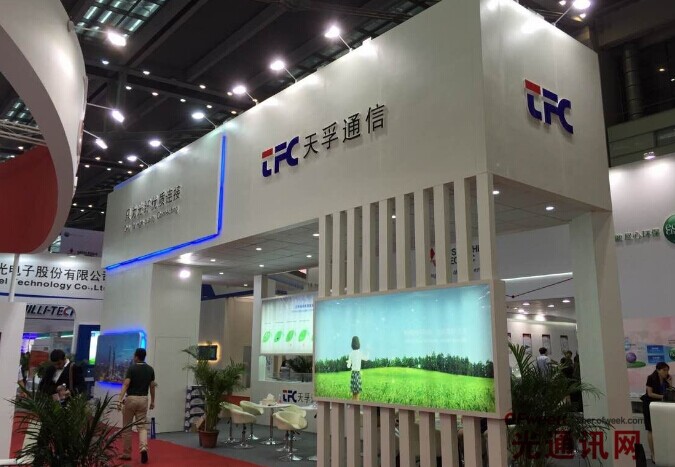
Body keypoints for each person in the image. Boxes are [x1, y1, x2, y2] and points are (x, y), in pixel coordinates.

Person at [118, 348, 156, 464]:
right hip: (143, 399)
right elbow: (152, 386)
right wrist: (153, 401)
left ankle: (126, 453)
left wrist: (120, 399)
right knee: (142, 427)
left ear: (136, 356)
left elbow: (126, 384)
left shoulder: (132, 368)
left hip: (131, 399)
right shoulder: (150, 369)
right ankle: (143, 448)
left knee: (127, 427)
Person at [642, 361, 671, 463]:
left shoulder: (666, 379)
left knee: (661, 429)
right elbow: (650, 394)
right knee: (651, 429)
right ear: (658, 370)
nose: (666, 372)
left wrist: (670, 383)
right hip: (649, 405)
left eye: (667, 370)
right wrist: (663, 396)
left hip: (660, 406)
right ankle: (653, 454)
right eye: (664, 370)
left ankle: (662, 453)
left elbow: (670, 392)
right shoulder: (651, 378)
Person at [347, 336, 367, 400]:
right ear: (358, 343)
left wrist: (348, 362)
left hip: (353, 374)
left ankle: (353, 404)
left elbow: (348, 366)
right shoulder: (360, 353)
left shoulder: (351, 353)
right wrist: (368, 352)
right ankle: (357, 405)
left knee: (354, 393)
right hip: (358, 374)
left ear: (352, 344)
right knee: (358, 393)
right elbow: (366, 359)